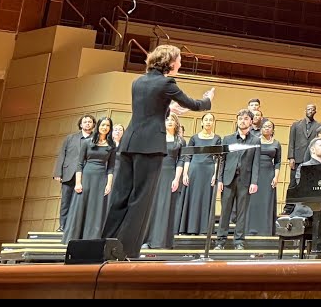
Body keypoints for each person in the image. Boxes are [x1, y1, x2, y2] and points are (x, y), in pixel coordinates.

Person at [100, 45, 213, 259]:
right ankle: (127, 250)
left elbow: (148, 107)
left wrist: (169, 109)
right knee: (141, 198)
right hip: (150, 146)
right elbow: (194, 104)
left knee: (120, 196)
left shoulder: (138, 81)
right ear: (170, 62)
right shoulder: (167, 82)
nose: (180, 64)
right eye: (179, 60)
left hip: (129, 143)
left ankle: (106, 246)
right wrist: (208, 100)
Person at [64, 116, 116, 243]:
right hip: (86, 177)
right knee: (82, 206)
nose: (105, 127)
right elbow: (79, 164)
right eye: (103, 125)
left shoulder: (111, 145)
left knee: (96, 208)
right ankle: (75, 238)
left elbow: (111, 167)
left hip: (101, 179)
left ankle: (92, 238)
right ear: (98, 126)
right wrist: (78, 183)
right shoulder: (87, 142)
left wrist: (109, 185)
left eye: (108, 125)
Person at [216, 109, 260, 249]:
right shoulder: (227, 139)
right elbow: (222, 160)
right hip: (228, 179)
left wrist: (254, 181)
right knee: (225, 212)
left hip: (245, 180)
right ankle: (220, 241)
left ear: (251, 122)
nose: (242, 121)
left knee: (241, 213)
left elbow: (256, 162)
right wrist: (219, 180)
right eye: (240, 118)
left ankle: (239, 241)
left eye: (246, 118)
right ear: (237, 120)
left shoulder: (256, 140)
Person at [145, 115, 186, 249]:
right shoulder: (157, 138)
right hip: (155, 173)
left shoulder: (180, 140)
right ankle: (147, 240)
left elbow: (181, 160)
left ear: (176, 123)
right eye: (167, 120)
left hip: (170, 174)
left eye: (172, 120)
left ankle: (162, 241)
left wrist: (176, 178)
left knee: (166, 206)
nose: (169, 122)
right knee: (152, 206)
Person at [53, 114, 94, 231]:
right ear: (80, 124)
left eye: (90, 122)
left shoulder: (96, 139)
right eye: (85, 122)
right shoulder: (70, 138)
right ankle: (63, 226)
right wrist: (58, 173)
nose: (87, 123)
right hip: (69, 173)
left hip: (87, 174)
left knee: (83, 202)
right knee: (66, 201)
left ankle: (79, 227)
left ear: (93, 125)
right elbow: (62, 154)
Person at [247, 119, 283, 235]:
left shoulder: (276, 143)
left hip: (269, 174)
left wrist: (276, 177)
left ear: (273, 130)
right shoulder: (255, 141)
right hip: (255, 172)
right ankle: (251, 229)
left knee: (266, 201)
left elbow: (278, 162)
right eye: (264, 126)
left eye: (269, 127)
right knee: (253, 201)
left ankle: (265, 230)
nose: (266, 128)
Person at [288, 103, 321, 173]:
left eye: (312, 110)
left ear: (315, 112)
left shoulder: (319, 126)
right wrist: (291, 157)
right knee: (294, 182)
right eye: (309, 109)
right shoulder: (296, 125)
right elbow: (291, 141)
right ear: (305, 111)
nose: (310, 111)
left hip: (311, 159)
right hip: (297, 158)